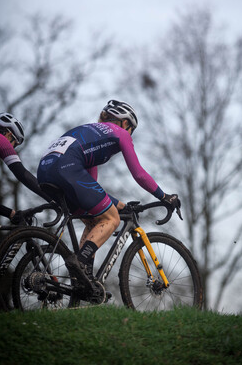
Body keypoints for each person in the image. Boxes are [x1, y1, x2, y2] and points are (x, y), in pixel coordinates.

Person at [37, 99, 179, 285]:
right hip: (68, 170)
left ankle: (83, 279)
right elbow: (139, 174)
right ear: (125, 122)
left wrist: (120, 205)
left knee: (95, 218)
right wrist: (164, 196)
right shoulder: (120, 133)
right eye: (132, 130)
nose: (131, 135)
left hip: (44, 171)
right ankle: (79, 262)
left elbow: (91, 191)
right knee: (112, 219)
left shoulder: (90, 132)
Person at [0, 112, 51, 245]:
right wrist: (51, 197)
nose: (12, 148)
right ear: (9, 134)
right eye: (14, 144)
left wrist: (11, 214)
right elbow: (23, 174)